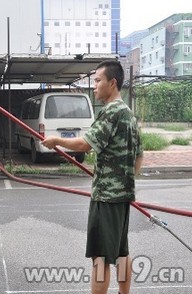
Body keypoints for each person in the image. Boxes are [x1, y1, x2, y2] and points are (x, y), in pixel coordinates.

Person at [42, 60, 143, 294]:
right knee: (121, 252)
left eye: (98, 80)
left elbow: (85, 145)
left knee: (100, 258)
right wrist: (122, 179)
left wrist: (55, 141)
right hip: (122, 196)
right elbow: (138, 159)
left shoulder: (111, 112)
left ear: (112, 83)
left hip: (106, 197)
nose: (94, 86)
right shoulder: (129, 114)